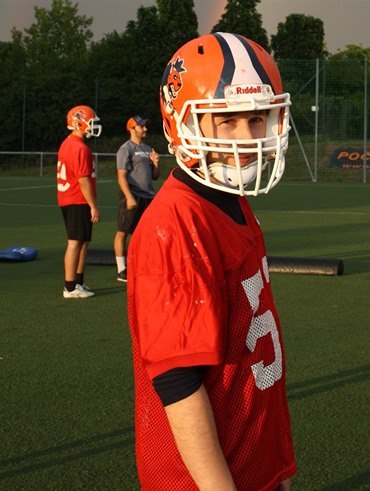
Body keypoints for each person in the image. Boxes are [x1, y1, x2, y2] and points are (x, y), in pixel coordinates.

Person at [126, 33, 296, 490]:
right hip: (205, 477)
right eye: (226, 121)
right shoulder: (177, 222)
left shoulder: (230, 199)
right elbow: (179, 383)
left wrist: (270, 467)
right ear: (181, 125)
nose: (247, 138)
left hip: (250, 456)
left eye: (257, 118)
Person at [57, 105, 102, 299]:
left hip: (70, 198)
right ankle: (70, 287)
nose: (92, 127)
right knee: (75, 242)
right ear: (78, 122)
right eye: (90, 123)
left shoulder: (68, 144)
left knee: (83, 242)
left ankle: (78, 281)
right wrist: (93, 205)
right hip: (77, 199)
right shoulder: (79, 148)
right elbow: (83, 180)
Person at [113, 115, 160, 283]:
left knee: (144, 234)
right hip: (132, 195)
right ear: (132, 129)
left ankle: (140, 264)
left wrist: (155, 164)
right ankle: (121, 270)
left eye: (145, 126)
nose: (145, 129)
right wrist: (128, 197)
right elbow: (121, 176)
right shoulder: (126, 149)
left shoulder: (148, 148)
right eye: (141, 126)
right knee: (123, 231)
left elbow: (155, 177)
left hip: (148, 196)